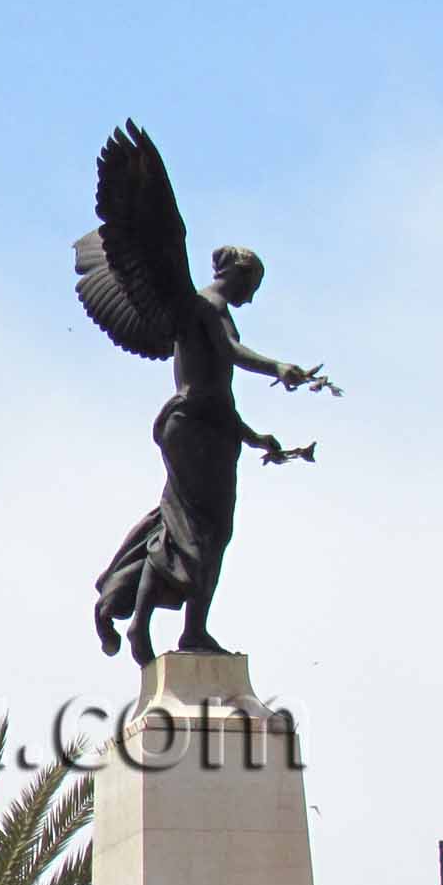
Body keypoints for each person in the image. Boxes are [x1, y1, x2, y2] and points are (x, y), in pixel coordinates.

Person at [92, 246, 311, 666]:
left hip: (212, 427)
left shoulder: (213, 310)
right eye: (254, 283)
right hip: (191, 425)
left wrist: (251, 435)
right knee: (190, 530)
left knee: (208, 532)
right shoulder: (207, 306)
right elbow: (230, 353)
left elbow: (217, 388)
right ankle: (142, 620)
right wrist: (279, 367)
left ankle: (187, 625)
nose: (253, 294)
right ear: (237, 273)